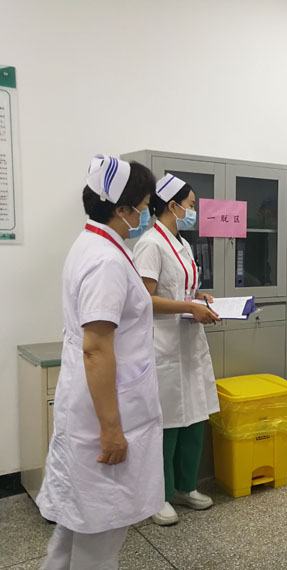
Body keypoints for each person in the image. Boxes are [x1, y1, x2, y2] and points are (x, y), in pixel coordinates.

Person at [37, 155, 164, 569]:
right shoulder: (106, 260)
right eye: (142, 207)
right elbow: (95, 346)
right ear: (121, 209)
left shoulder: (94, 244)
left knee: (76, 520)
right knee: (101, 527)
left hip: (95, 401)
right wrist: (111, 430)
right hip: (104, 414)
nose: (145, 215)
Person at [133, 174, 220, 526]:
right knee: (167, 422)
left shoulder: (180, 243)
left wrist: (198, 297)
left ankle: (186, 487)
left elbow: (180, 288)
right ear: (172, 205)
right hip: (163, 344)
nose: (194, 211)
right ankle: (159, 496)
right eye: (191, 205)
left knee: (194, 417)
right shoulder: (150, 244)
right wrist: (188, 307)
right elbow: (145, 299)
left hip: (188, 342)